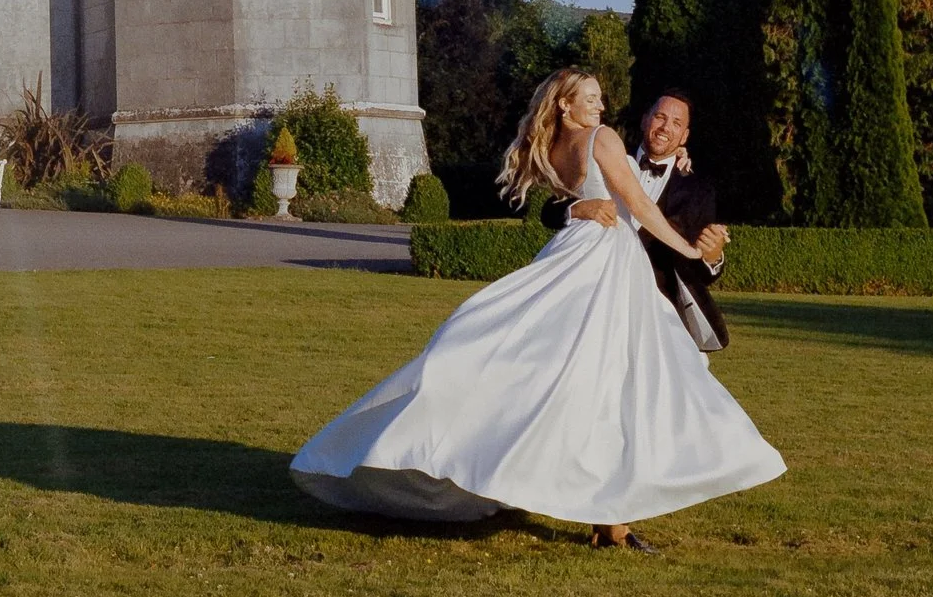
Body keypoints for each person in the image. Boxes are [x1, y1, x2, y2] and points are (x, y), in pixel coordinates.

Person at [290, 67, 784, 549]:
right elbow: (636, 205)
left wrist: (699, 254)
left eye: (602, 99)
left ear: (685, 134)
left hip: (584, 263)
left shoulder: (557, 146)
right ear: (567, 104)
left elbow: (582, 195)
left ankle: (599, 512)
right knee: (619, 389)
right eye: (591, 97)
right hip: (608, 268)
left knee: (561, 377)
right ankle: (600, 509)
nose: (602, 104)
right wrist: (691, 249)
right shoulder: (605, 138)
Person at [555, 90, 732, 351]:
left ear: (684, 136)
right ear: (644, 119)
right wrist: (581, 207)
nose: (665, 128)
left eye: (676, 123)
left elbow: (696, 273)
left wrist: (713, 257)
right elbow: (550, 210)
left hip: (657, 316)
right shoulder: (605, 155)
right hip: (594, 301)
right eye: (660, 117)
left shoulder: (698, 190)